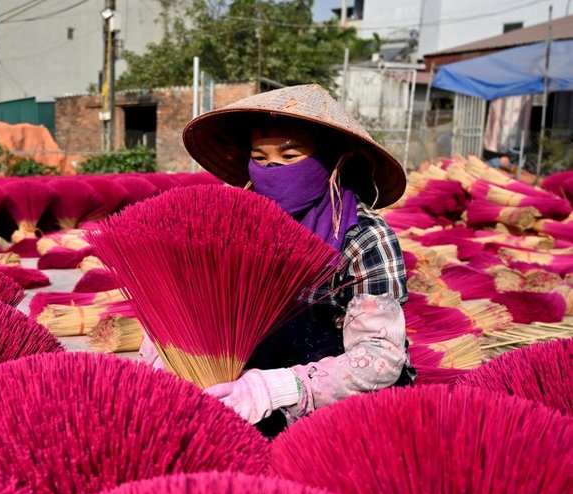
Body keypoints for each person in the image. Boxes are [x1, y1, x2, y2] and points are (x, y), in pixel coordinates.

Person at [142, 84, 415, 437]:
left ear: (333, 161)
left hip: (337, 385)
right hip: (252, 364)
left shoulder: (364, 238)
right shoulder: (235, 225)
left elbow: (381, 357)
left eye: (289, 157)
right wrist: (171, 356)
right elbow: (185, 304)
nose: (274, 169)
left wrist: (279, 389)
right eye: (260, 158)